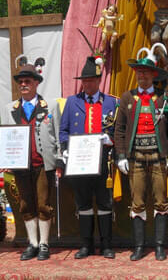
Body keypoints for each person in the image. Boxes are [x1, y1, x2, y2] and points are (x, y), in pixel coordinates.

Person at [114, 50, 168, 261]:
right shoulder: (126, 98)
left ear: (153, 75)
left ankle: (160, 246)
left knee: (161, 202)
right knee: (137, 203)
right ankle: (139, 247)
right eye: (139, 73)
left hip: (159, 158)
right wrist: (121, 156)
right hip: (135, 159)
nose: (142, 76)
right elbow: (120, 130)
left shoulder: (163, 98)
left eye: (146, 73)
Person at [59, 56, 119, 259]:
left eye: (91, 80)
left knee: (104, 203)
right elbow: (63, 130)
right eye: (84, 81)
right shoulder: (72, 102)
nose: (87, 84)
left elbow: (119, 130)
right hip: (79, 161)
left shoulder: (112, 102)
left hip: (103, 161)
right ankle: (86, 245)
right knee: (83, 203)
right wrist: (66, 148)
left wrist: (109, 139)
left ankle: (107, 244)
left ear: (99, 80)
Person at [2, 60, 61, 261]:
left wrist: (59, 160)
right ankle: (33, 243)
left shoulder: (50, 105)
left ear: (36, 83)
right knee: (26, 204)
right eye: (20, 82)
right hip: (20, 165)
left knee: (44, 204)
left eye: (27, 81)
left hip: (43, 163)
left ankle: (44, 243)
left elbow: (58, 134)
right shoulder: (9, 108)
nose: (23, 84)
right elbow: (5, 137)